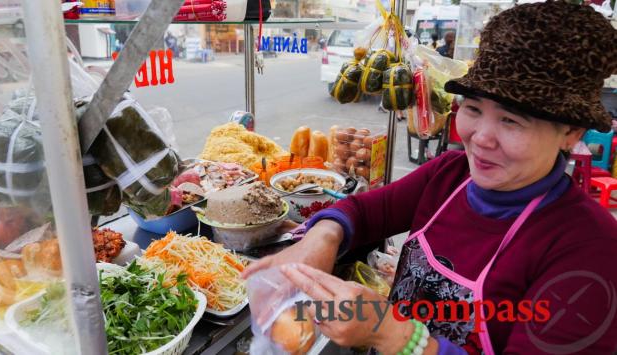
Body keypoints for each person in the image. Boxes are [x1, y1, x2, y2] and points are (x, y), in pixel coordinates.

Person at [243, 2, 617, 354]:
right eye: (472, 108)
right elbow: (365, 211)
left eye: (511, 120)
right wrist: (323, 237)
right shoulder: (451, 175)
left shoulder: (591, 249)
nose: (480, 138)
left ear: (570, 133)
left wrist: (395, 334)